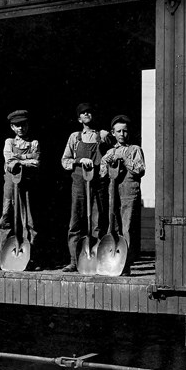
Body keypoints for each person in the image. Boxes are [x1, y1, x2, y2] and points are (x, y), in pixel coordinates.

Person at [61, 102, 113, 273]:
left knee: (97, 221)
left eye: (90, 112)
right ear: (79, 118)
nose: (87, 114)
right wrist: (79, 160)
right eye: (83, 113)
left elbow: (112, 153)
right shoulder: (74, 137)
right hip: (79, 182)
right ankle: (74, 261)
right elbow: (65, 161)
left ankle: (97, 260)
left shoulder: (103, 135)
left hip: (97, 182)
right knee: (75, 221)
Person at [0, 110, 41, 271]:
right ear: (12, 127)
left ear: (28, 125)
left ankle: (29, 258)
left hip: (27, 186)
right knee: (6, 219)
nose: (21, 128)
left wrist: (20, 160)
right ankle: (2, 258)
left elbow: (37, 162)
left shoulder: (34, 143)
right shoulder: (9, 142)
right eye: (17, 125)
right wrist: (27, 159)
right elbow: (9, 160)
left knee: (29, 222)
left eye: (23, 125)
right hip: (11, 186)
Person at [100, 115, 145, 275]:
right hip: (113, 192)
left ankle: (126, 263)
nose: (122, 134)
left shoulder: (135, 149)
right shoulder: (110, 151)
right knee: (114, 225)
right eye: (118, 131)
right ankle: (113, 262)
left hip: (129, 191)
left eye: (125, 131)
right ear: (113, 133)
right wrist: (108, 161)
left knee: (127, 227)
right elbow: (102, 173)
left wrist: (124, 159)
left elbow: (140, 170)